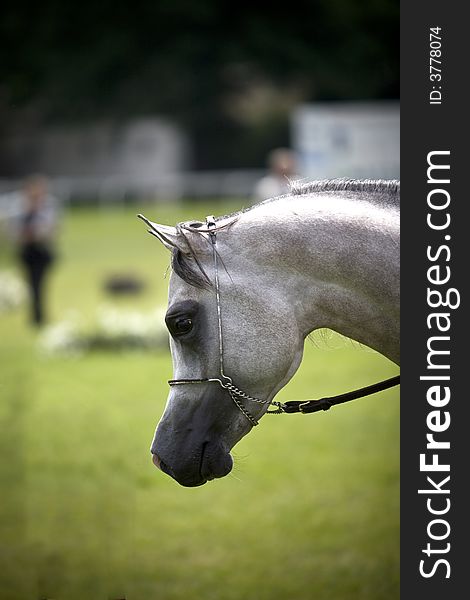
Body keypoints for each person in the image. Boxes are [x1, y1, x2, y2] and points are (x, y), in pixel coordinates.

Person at [14, 175, 59, 326]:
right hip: (27, 253)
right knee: (32, 285)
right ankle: (36, 316)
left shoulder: (48, 206)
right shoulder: (21, 207)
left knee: (39, 285)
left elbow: (50, 230)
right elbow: (15, 232)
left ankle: (38, 316)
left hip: (42, 253)